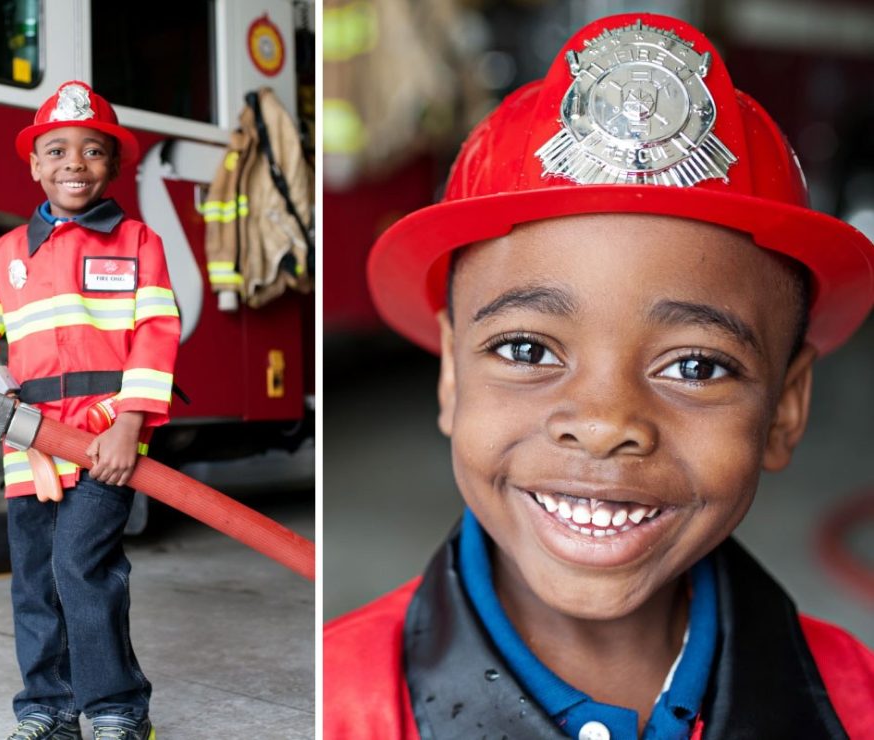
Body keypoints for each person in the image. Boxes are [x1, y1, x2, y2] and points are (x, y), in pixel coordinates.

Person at [324, 13, 874, 740]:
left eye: (696, 365)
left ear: (785, 409)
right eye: (527, 351)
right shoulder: (338, 706)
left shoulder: (854, 704)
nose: (606, 421)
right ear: (452, 376)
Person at [0, 80, 177, 740]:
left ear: (111, 164)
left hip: (102, 443)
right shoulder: (8, 255)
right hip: (29, 449)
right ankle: (48, 711)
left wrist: (131, 425)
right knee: (34, 583)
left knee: (80, 568)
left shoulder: (137, 242)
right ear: (34, 164)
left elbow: (156, 330)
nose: (73, 164)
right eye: (56, 150)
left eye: (90, 151)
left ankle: (115, 708)